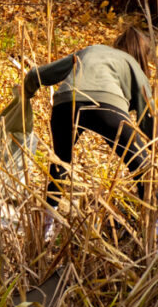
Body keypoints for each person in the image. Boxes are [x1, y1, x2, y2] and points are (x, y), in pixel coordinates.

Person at [23, 26, 154, 208]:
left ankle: (45, 225)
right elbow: (148, 114)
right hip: (107, 108)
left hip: (66, 103)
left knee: (60, 164)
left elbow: (40, 74)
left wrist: (25, 94)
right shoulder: (133, 64)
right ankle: (153, 229)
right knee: (142, 167)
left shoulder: (92, 50)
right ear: (142, 54)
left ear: (118, 42)